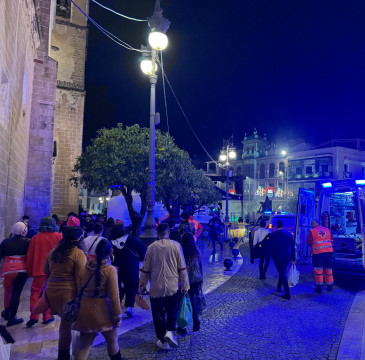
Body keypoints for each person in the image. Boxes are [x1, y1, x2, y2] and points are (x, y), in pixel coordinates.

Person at [139, 223, 189, 350]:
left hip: (156, 286)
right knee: (172, 310)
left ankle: (162, 340)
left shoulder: (151, 247)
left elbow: (145, 269)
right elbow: (182, 268)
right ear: (168, 232)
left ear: (157, 233)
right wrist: (185, 285)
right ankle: (169, 331)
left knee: (158, 314)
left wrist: (142, 286)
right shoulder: (176, 246)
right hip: (173, 286)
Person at [73, 239, 122, 360]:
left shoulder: (86, 266)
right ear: (111, 251)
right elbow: (114, 296)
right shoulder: (110, 270)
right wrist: (117, 316)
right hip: (103, 312)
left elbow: (79, 287)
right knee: (112, 341)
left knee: (84, 346)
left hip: (85, 309)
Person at [44, 227, 87, 360]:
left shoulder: (53, 252)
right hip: (68, 293)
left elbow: (46, 270)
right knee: (66, 324)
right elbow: (81, 278)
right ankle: (65, 356)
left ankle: (63, 355)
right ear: (79, 239)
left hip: (52, 290)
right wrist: (82, 298)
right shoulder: (78, 253)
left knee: (64, 322)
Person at [26, 217, 63, 328]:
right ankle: (47, 316)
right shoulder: (59, 237)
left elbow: (30, 256)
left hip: (39, 270)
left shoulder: (35, 238)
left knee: (35, 294)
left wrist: (29, 272)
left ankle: (34, 316)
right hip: (54, 271)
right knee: (49, 294)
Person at [110, 224, 146, 318]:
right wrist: (140, 259)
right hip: (131, 267)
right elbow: (142, 249)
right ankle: (129, 306)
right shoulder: (132, 239)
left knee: (117, 287)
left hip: (115, 267)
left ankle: (116, 306)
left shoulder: (110, 240)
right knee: (131, 286)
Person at [0, 222, 29, 326]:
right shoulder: (27, 241)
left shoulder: (5, 242)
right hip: (21, 271)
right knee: (16, 293)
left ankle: (7, 311)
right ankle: (12, 318)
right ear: (23, 231)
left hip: (7, 270)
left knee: (7, 291)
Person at [179, 232, 203, 333]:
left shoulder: (181, 251)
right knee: (192, 300)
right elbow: (200, 265)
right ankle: (196, 321)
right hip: (195, 280)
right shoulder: (196, 250)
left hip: (184, 279)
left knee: (182, 301)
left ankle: (182, 325)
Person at [270, 220, 295, 300]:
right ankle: (279, 287)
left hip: (278, 257)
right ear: (283, 225)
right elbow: (292, 247)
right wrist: (293, 258)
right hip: (287, 257)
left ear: (277, 226)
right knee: (282, 271)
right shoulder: (288, 234)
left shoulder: (273, 235)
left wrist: (272, 256)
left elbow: (272, 248)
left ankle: (287, 293)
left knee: (282, 273)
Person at [306, 220, 334, 293]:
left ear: (313, 224)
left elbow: (308, 242)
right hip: (329, 252)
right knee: (328, 269)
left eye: (312, 224)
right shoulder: (327, 230)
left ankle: (319, 288)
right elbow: (331, 240)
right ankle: (330, 287)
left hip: (318, 253)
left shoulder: (312, 231)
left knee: (318, 270)